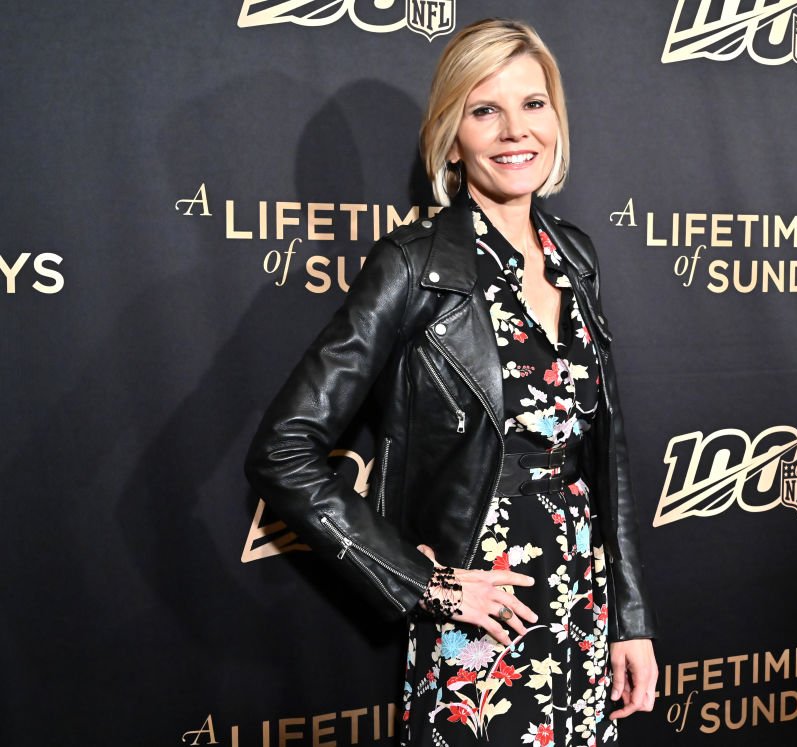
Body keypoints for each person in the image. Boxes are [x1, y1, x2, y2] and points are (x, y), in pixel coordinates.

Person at [245, 18, 658, 746]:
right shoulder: (413, 264)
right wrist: (423, 582)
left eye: (533, 104)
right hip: (482, 624)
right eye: (484, 109)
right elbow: (285, 447)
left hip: (582, 612)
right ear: (451, 134)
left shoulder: (577, 257)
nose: (514, 131)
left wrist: (629, 620)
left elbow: (606, 453)